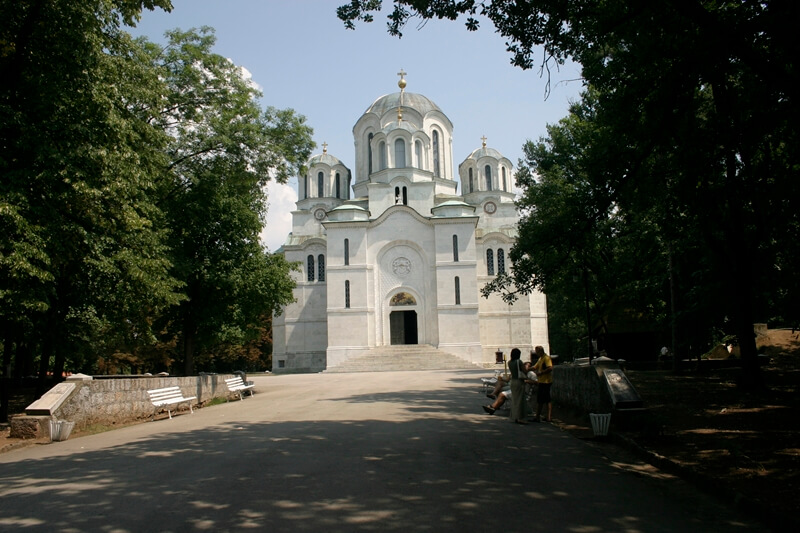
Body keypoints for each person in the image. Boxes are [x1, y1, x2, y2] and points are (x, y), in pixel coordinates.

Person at [532, 345, 553, 422]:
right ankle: (543, 416)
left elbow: (550, 368)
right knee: (543, 399)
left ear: (540, 351)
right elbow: (535, 367)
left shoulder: (546, 358)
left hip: (546, 381)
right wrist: (527, 369)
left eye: (537, 352)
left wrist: (541, 373)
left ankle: (545, 417)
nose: (536, 353)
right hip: (542, 381)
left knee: (544, 399)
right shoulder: (540, 358)